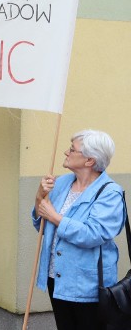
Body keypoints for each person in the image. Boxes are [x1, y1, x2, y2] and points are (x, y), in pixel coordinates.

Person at [32, 130, 125, 330]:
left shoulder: (110, 193)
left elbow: (94, 234)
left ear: (90, 160)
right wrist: (40, 196)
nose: (66, 152)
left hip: (87, 284)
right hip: (56, 277)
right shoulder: (63, 182)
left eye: (72, 149)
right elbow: (42, 224)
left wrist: (55, 216)